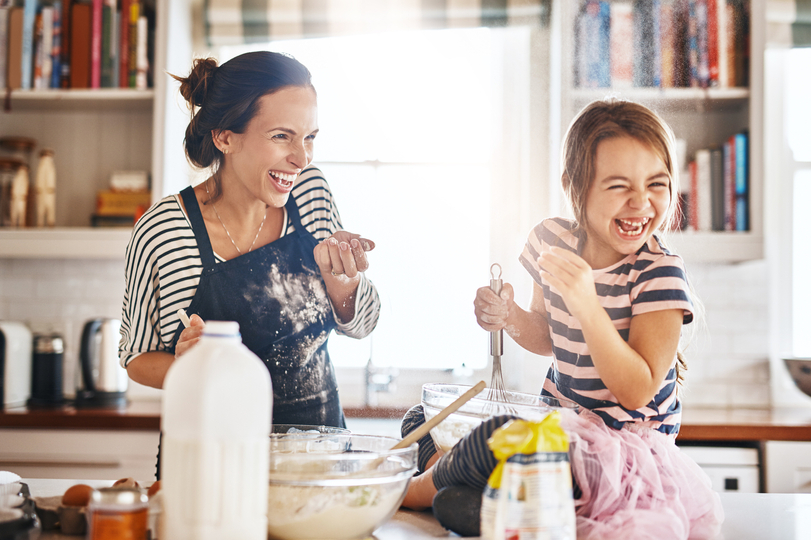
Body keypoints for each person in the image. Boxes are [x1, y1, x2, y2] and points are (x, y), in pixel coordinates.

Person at [400, 99, 723, 539]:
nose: (641, 202)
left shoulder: (659, 272)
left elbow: (636, 389)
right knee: (422, 419)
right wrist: (508, 316)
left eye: (657, 184)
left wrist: (586, 302)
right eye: (617, 186)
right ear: (575, 186)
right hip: (558, 432)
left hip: (620, 457)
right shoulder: (550, 241)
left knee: (496, 436)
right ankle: (467, 485)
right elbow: (547, 336)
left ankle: (414, 488)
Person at [120, 52, 380, 436]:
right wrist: (187, 366)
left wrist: (343, 282)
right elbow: (136, 357)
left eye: (309, 138)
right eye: (282, 136)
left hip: (318, 459)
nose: (301, 158)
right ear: (225, 137)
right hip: (211, 458)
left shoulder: (311, 195)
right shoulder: (164, 229)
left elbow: (363, 325)